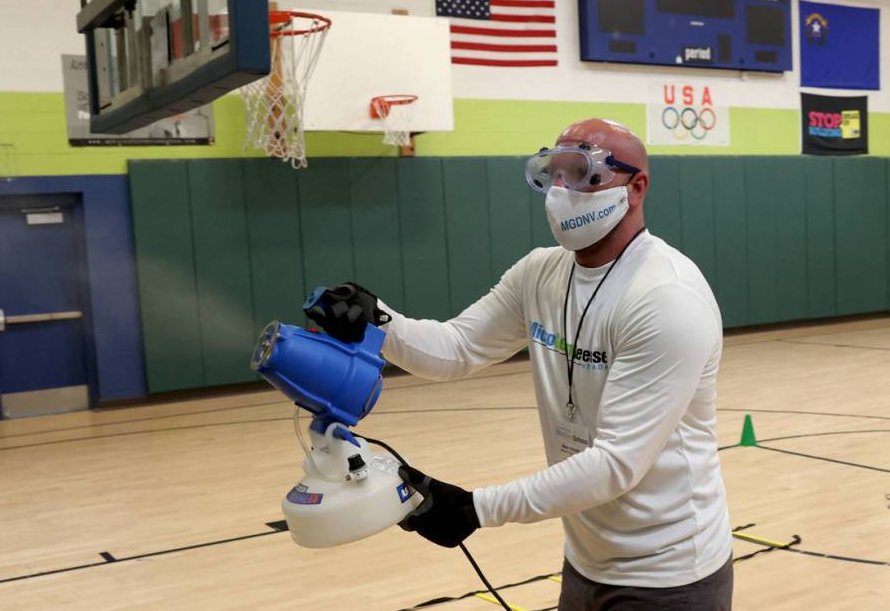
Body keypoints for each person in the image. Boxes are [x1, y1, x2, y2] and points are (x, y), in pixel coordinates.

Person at [305, 119, 733, 610]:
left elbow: (616, 463)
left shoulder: (666, 298)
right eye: (553, 172)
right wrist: (377, 322)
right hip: (586, 558)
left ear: (636, 187)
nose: (562, 189)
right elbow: (456, 348)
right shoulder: (539, 273)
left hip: (671, 574)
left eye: (582, 173)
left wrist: (475, 509)